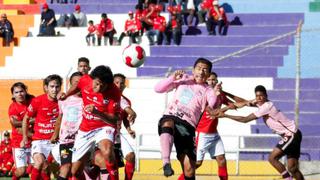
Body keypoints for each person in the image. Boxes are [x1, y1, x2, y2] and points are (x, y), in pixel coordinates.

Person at [219, 85, 304, 180]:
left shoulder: (266, 107)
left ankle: (287, 178)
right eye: (257, 96)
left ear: (266, 96)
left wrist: (226, 115)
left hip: (291, 135)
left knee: (272, 158)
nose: (258, 98)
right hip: (294, 134)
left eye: (261, 96)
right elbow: (243, 102)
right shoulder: (261, 103)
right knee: (293, 168)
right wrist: (225, 93)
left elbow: (245, 119)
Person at [154, 58, 218, 179]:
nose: (201, 71)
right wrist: (172, 78)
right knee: (167, 123)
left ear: (208, 75)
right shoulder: (183, 80)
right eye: (199, 68)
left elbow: (213, 103)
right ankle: (166, 163)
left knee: (189, 170)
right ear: (193, 70)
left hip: (188, 126)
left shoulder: (208, 90)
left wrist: (214, 95)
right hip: (172, 115)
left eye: (205, 70)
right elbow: (158, 89)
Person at [58, 65, 121, 180]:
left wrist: (98, 113)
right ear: (92, 79)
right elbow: (77, 86)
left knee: (107, 151)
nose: (98, 87)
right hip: (86, 129)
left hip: (104, 126)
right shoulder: (85, 79)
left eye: (102, 86)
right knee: (74, 171)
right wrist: (66, 94)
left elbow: (114, 119)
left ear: (108, 85)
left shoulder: (114, 92)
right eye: (96, 83)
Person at [20, 74, 63, 180]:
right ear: (46, 87)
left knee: (65, 167)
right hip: (39, 140)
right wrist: (25, 137)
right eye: (52, 86)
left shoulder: (64, 101)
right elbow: (26, 118)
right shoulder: (37, 101)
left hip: (57, 141)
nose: (54, 89)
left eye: (57, 86)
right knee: (39, 163)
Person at [50, 72, 83, 180]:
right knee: (66, 167)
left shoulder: (88, 100)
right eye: (76, 82)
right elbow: (60, 116)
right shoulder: (64, 100)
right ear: (71, 84)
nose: (78, 85)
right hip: (66, 140)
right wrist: (55, 134)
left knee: (76, 171)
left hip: (81, 141)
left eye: (81, 82)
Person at [8, 82, 34, 179]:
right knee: (22, 171)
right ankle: (14, 177)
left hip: (34, 141)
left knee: (39, 166)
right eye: (16, 92)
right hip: (19, 142)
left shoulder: (32, 100)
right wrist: (32, 120)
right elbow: (15, 124)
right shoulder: (13, 108)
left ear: (25, 91)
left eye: (21, 91)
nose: (19, 94)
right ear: (13, 95)